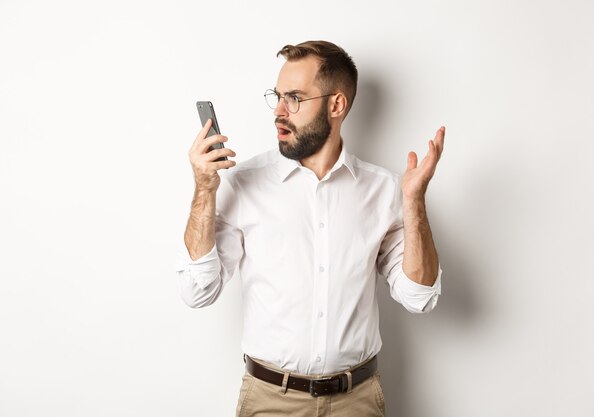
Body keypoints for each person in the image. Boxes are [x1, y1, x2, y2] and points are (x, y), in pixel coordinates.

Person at [176, 40, 445, 417]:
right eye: (277, 96)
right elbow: (197, 290)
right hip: (270, 402)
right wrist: (204, 189)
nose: (279, 112)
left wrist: (414, 202)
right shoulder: (243, 183)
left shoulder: (384, 190)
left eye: (295, 98)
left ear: (336, 105)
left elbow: (419, 297)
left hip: (358, 402)